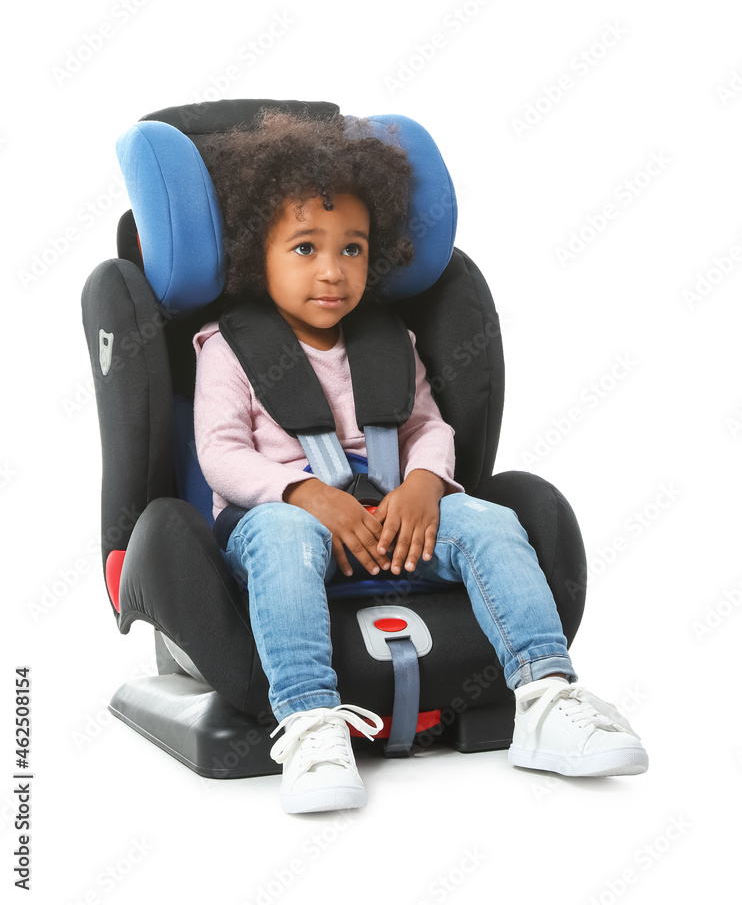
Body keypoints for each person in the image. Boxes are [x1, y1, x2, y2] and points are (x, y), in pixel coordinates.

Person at [192, 107, 648, 814]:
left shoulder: (388, 342)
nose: (333, 271)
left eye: (353, 249)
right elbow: (221, 454)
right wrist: (306, 495)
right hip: (281, 520)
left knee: (492, 522)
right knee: (282, 537)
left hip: (399, 517)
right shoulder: (227, 346)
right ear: (260, 255)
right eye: (306, 248)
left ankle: (545, 696)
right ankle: (311, 722)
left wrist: (426, 487)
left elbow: (428, 427)